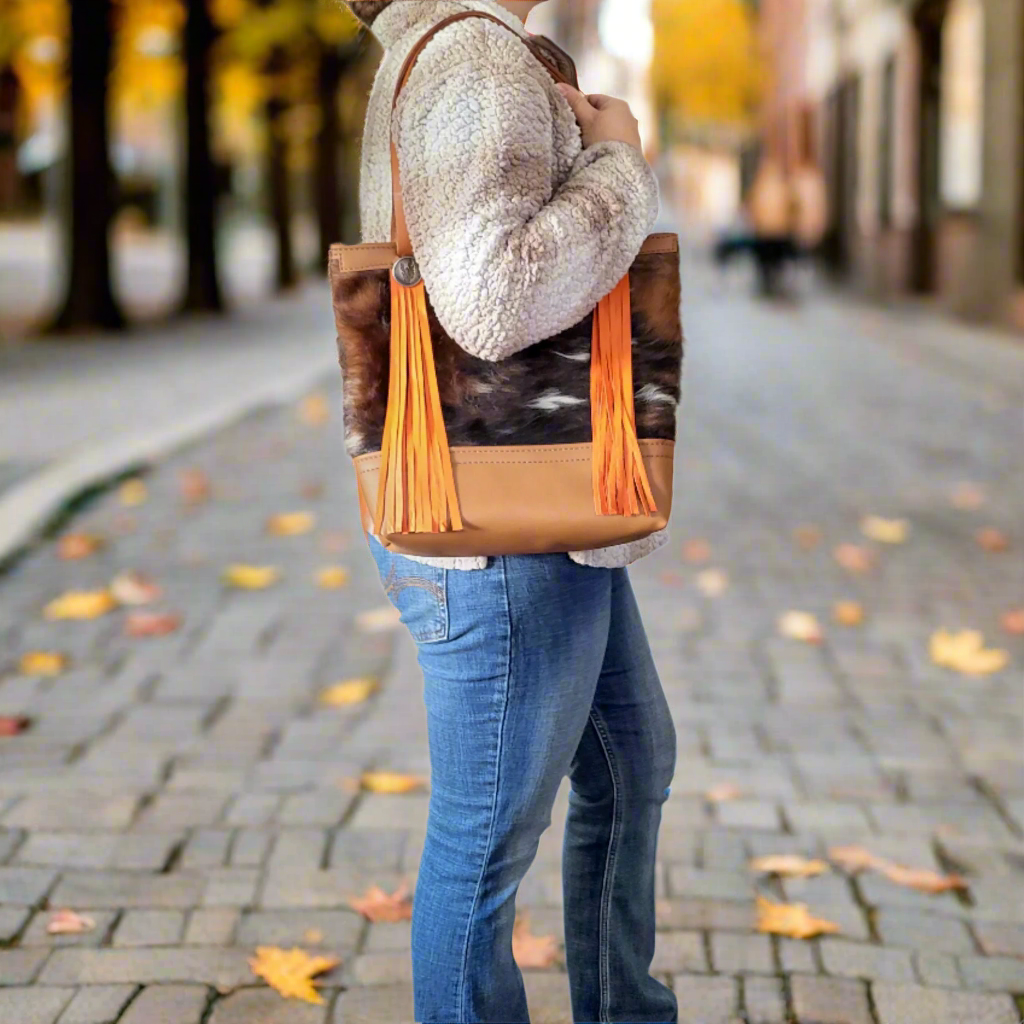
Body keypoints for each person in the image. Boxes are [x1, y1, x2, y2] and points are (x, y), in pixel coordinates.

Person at [342, 2, 678, 1022]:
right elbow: (490, 302)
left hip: (537, 521)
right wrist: (619, 161)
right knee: (485, 839)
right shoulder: (476, 58)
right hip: (503, 536)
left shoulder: (457, 49)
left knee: (631, 764)